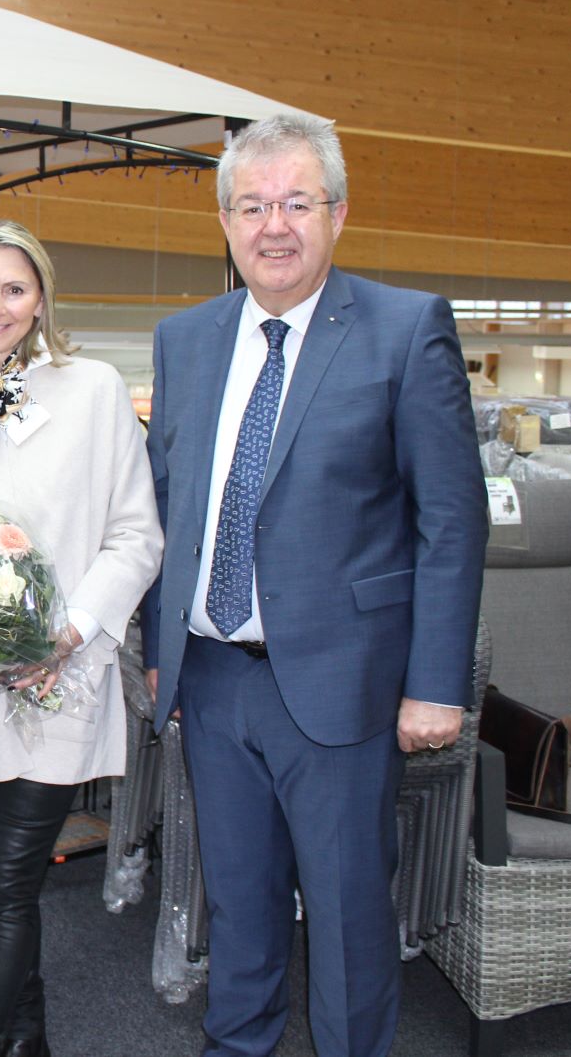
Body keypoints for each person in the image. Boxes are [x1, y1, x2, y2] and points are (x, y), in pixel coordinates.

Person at [141, 113, 487, 1057]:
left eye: (297, 201)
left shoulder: (404, 328)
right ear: (224, 220)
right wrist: (156, 655)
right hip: (211, 681)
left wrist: (435, 683)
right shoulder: (185, 339)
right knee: (238, 901)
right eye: (251, 205)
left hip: (344, 683)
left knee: (344, 916)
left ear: (337, 213)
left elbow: (451, 521)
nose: (274, 225)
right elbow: (169, 509)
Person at [0, 220, 163, 1057]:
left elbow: (136, 536)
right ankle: (27, 1040)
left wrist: (70, 629)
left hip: (62, 673)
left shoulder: (91, 389)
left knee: (10, 884)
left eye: (15, 288)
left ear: (42, 297)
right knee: (1, 885)